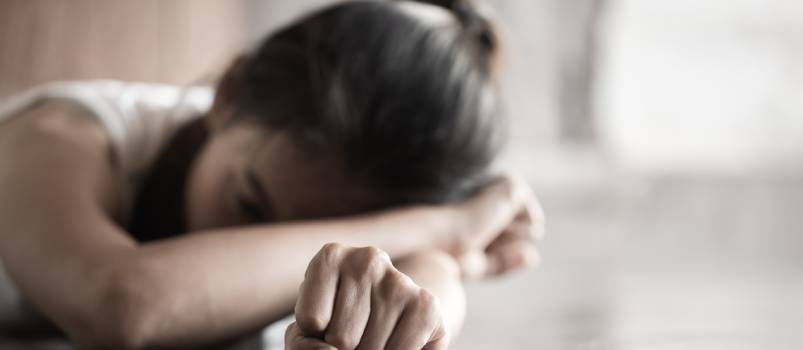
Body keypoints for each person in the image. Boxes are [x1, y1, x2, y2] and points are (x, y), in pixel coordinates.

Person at [0, 0, 543, 349]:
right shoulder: (60, 135)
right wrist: (440, 226)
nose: (250, 252)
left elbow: (429, 282)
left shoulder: (414, 232)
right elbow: (122, 307)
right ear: (230, 94)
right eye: (251, 207)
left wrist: (417, 309)